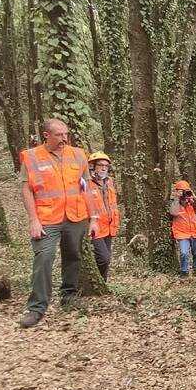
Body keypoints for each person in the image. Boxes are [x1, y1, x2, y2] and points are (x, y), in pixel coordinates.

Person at [18, 119, 99, 328]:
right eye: (59, 135)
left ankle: (68, 296)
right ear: (46, 135)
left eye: (65, 134)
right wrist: (33, 220)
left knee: (73, 255)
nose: (64, 138)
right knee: (44, 257)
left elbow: (86, 188)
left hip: (76, 216)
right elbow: (26, 190)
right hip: (46, 219)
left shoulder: (78, 154)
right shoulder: (31, 157)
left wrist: (93, 218)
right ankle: (37, 307)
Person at [87, 152, 120, 281]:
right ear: (92, 166)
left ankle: (103, 284)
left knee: (106, 259)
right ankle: (96, 282)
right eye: (100, 165)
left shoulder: (110, 181)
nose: (103, 168)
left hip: (109, 226)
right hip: (94, 227)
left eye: (106, 166)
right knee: (103, 258)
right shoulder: (86, 182)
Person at [169, 180, 196, 276]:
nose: (184, 193)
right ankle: (184, 272)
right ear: (177, 191)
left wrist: (194, 197)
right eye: (182, 190)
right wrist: (177, 198)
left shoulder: (191, 201)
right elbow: (173, 212)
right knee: (184, 253)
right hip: (182, 233)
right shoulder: (174, 202)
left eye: (186, 190)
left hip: (195, 231)